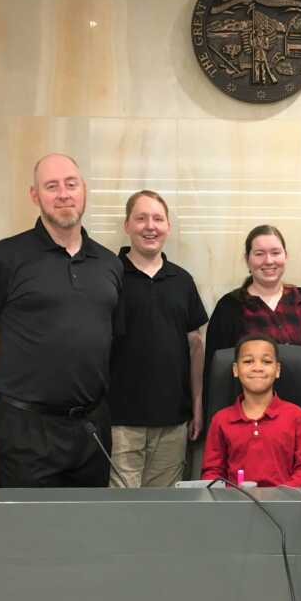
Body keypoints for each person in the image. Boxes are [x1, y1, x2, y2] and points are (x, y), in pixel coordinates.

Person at [0, 153, 122, 488]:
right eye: (51, 186)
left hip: (92, 428)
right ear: (35, 195)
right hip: (26, 432)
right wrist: (5, 392)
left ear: (84, 190)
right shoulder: (2, 258)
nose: (63, 193)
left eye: (71, 184)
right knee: (31, 537)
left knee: (89, 534)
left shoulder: (108, 263)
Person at [107, 190, 208, 488]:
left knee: (163, 513)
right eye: (141, 218)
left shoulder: (182, 280)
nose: (150, 226)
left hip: (173, 423)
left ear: (168, 227)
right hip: (119, 423)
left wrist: (198, 405)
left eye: (158, 219)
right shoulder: (107, 277)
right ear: (127, 226)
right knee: (121, 514)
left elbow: (195, 345)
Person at [204, 225, 301, 399]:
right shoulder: (229, 307)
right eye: (259, 254)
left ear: (285, 256)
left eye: (276, 252)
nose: (269, 261)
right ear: (247, 259)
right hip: (252, 414)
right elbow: (215, 372)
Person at [201, 335, 301, 487]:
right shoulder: (221, 419)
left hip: (284, 504)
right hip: (235, 505)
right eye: (248, 361)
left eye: (267, 361)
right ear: (236, 370)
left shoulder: (296, 416)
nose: (257, 368)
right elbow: (212, 472)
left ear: (277, 370)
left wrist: (280, 496)